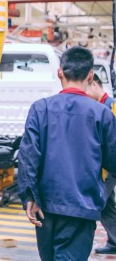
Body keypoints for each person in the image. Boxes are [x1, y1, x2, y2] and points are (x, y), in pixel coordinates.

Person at [18, 47, 116, 260]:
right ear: (91, 75)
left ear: (60, 72)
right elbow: (113, 161)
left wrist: (29, 196)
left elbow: (28, 157)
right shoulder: (102, 114)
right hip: (81, 208)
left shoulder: (39, 108)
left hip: (45, 208)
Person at [88, 73, 116, 254]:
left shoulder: (111, 106)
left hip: (111, 166)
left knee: (96, 202)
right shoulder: (100, 107)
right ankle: (114, 242)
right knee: (107, 206)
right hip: (106, 166)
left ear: (95, 84)